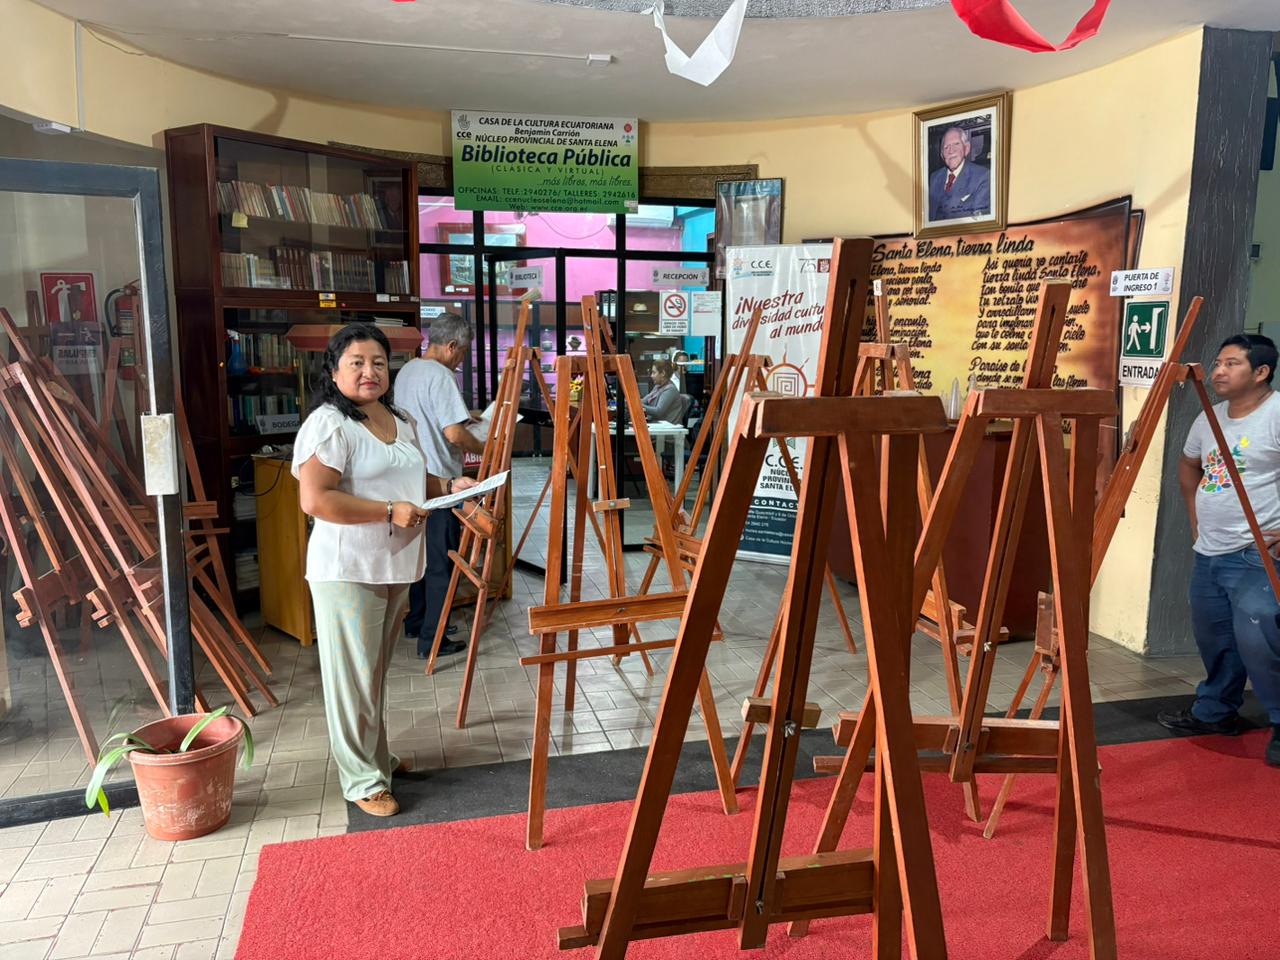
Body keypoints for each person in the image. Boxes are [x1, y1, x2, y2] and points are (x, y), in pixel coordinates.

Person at [293, 323, 475, 817]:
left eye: (377, 362)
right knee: (352, 678)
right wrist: (388, 511)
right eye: (356, 363)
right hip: (348, 568)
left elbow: (412, 478)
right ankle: (363, 780)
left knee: (372, 673)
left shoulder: (397, 418)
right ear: (334, 371)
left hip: (395, 564)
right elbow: (316, 499)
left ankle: (376, 758)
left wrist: (450, 486)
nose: (369, 371)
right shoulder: (330, 424)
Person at [1158, 333, 1280, 768]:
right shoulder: (1208, 417)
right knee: (1216, 639)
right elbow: (1189, 464)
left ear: (1261, 372)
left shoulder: (1276, 414)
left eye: (1231, 364)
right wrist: (1195, 516)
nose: (1218, 371)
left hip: (1256, 553)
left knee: (1260, 641)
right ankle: (1215, 711)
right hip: (1210, 552)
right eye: (1217, 363)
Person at [395, 312, 486, 659]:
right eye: (462, 352)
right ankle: (433, 639)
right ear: (450, 346)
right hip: (442, 485)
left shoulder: (409, 369)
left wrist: (466, 416)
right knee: (441, 564)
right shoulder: (441, 376)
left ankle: (417, 621)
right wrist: (483, 446)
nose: (461, 360)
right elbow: (454, 434)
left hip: (413, 480)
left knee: (421, 561)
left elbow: (429, 416)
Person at [927, 126, 991, 223]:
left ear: (966, 148)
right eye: (946, 147)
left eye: (956, 144)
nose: (951, 151)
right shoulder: (934, 177)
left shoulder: (983, 176)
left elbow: (979, 223)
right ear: (942, 155)